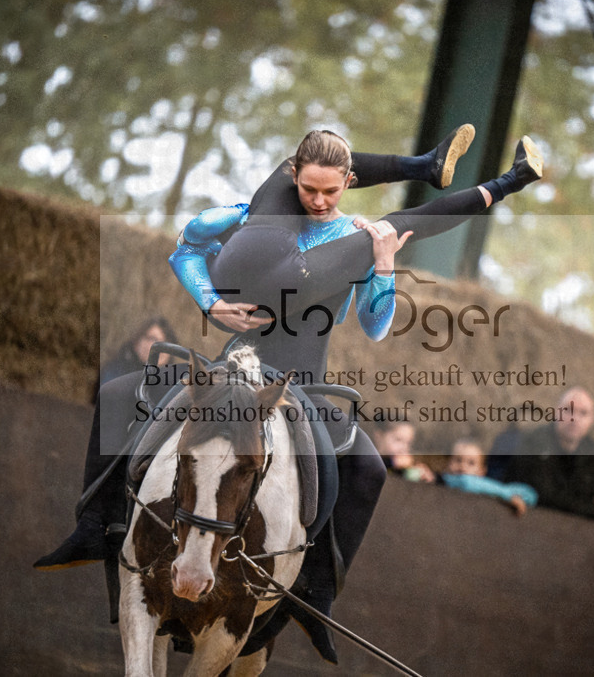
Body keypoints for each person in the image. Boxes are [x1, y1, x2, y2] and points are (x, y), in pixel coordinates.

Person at [36, 126, 544, 662]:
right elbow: (186, 249)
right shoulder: (257, 214)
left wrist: (385, 264)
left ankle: (312, 592)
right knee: (119, 394)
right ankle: (96, 526)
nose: (320, 202)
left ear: (350, 183)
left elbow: (375, 326)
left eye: (332, 192)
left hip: (301, 384)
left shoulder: (360, 235)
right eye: (309, 190)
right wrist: (210, 303)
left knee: (368, 470)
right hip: (233, 363)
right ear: (294, 178)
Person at [500, 387, 594, 522]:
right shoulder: (533, 442)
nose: (574, 419)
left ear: (592, 420)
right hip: (528, 521)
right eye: (568, 410)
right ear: (556, 412)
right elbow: (543, 495)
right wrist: (592, 510)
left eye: (583, 413)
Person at [438, 438, 537, 515]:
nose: (462, 467)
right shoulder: (448, 480)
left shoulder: (489, 488)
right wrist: (507, 495)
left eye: (471, 463)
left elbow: (531, 495)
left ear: (482, 471)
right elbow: (466, 482)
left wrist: (516, 497)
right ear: (448, 463)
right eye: (458, 460)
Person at [92, 316, 177, 401]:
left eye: (165, 342)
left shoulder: (172, 386)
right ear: (137, 341)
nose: (159, 347)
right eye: (152, 339)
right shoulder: (117, 370)